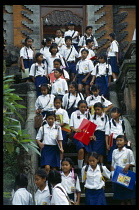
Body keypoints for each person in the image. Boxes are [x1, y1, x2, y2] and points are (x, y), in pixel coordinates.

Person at [70, 100, 93, 178]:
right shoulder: (74, 114)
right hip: (77, 134)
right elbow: (71, 126)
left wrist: (91, 135)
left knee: (87, 151)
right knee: (81, 150)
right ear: (78, 107)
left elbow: (91, 126)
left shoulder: (88, 114)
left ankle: (85, 167)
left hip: (86, 134)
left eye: (84, 107)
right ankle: (80, 168)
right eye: (81, 107)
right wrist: (75, 129)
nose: (83, 108)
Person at [111, 135, 136, 205]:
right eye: (117, 140)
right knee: (121, 199)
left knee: (128, 199)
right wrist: (113, 175)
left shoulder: (128, 151)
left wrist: (128, 165)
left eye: (120, 140)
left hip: (126, 175)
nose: (118, 142)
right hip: (118, 176)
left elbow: (133, 163)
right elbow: (113, 164)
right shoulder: (114, 151)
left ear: (125, 142)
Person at [54, 96, 69, 162]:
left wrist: (58, 126)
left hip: (62, 130)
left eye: (59, 103)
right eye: (56, 103)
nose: (57, 104)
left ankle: (60, 161)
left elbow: (65, 122)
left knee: (61, 145)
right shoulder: (52, 110)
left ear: (61, 103)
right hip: (53, 130)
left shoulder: (63, 111)